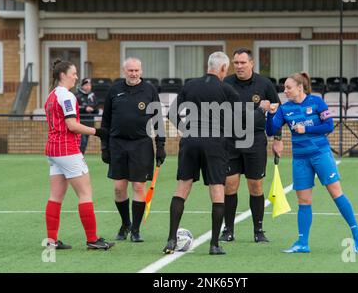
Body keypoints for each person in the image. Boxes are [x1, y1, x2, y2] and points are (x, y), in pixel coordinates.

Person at [261, 72, 358, 254]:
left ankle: (357, 234)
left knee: (336, 193)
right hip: (300, 159)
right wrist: (271, 113)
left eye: (288, 87)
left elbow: (329, 126)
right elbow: (271, 131)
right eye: (284, 88)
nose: (285, 91)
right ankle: (302, 243)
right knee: (304, 201)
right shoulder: (285, 109)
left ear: (300, 87)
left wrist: (305, 128)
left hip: (321, 155)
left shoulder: (317, 102)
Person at [162, 51, 240, 255]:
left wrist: (186, 130)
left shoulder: (190, 85)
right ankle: (214, 244)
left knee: (182, 188)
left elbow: (171, 113)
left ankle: (171, 240)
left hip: (191, 140)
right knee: (217, 190)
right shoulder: (227, 89)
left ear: (208, 66)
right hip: (215, 143)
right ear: (222, 68)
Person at [44, 59, 114, 250]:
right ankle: (92, 239)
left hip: (53, 150)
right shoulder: (66, 96)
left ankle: (51, 241)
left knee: (55, 196)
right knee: (85, 194)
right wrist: (98, 132)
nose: (76, 77)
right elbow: (71, 125)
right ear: (62, 75)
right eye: (73, 73)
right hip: (67, 150)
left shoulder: (51, 96)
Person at [220, 48, 283, 243]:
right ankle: (228, 230)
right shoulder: (226, 83)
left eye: (242, 63)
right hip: (230, 141)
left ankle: (258, 231)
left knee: (255, 186)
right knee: (230, 186)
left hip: (255, 140)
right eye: (236, 63)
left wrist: (278, 138)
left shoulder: (264, 84)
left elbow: (276, 110)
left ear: (251, 63)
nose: (239, 66)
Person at [100, 57, 166, 243]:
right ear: (124, 71)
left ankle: (136, 230)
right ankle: (125, 223)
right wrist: (104, 147)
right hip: (117, 144)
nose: (134, 73)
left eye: (137, 70)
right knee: (119, 188)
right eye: (130, 70)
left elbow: (158, 121)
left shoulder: (150, 90)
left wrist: (160, 146)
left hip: (141, 145)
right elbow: (106, 121)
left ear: (141, 71)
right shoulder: (114, 90)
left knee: (138, 186)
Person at [75, 78, 99, 154]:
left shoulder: (93, 96)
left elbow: (97, 109)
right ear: (82, 86)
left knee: (85, 143)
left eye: (89, 85)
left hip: (89, 123)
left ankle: (81, 157)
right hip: (80, 123)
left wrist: (93, 110)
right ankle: (78, 157)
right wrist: (85, 108)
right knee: (82, 141)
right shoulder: (77, 96)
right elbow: (75, 108)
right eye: (86, 85)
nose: (88, 87)